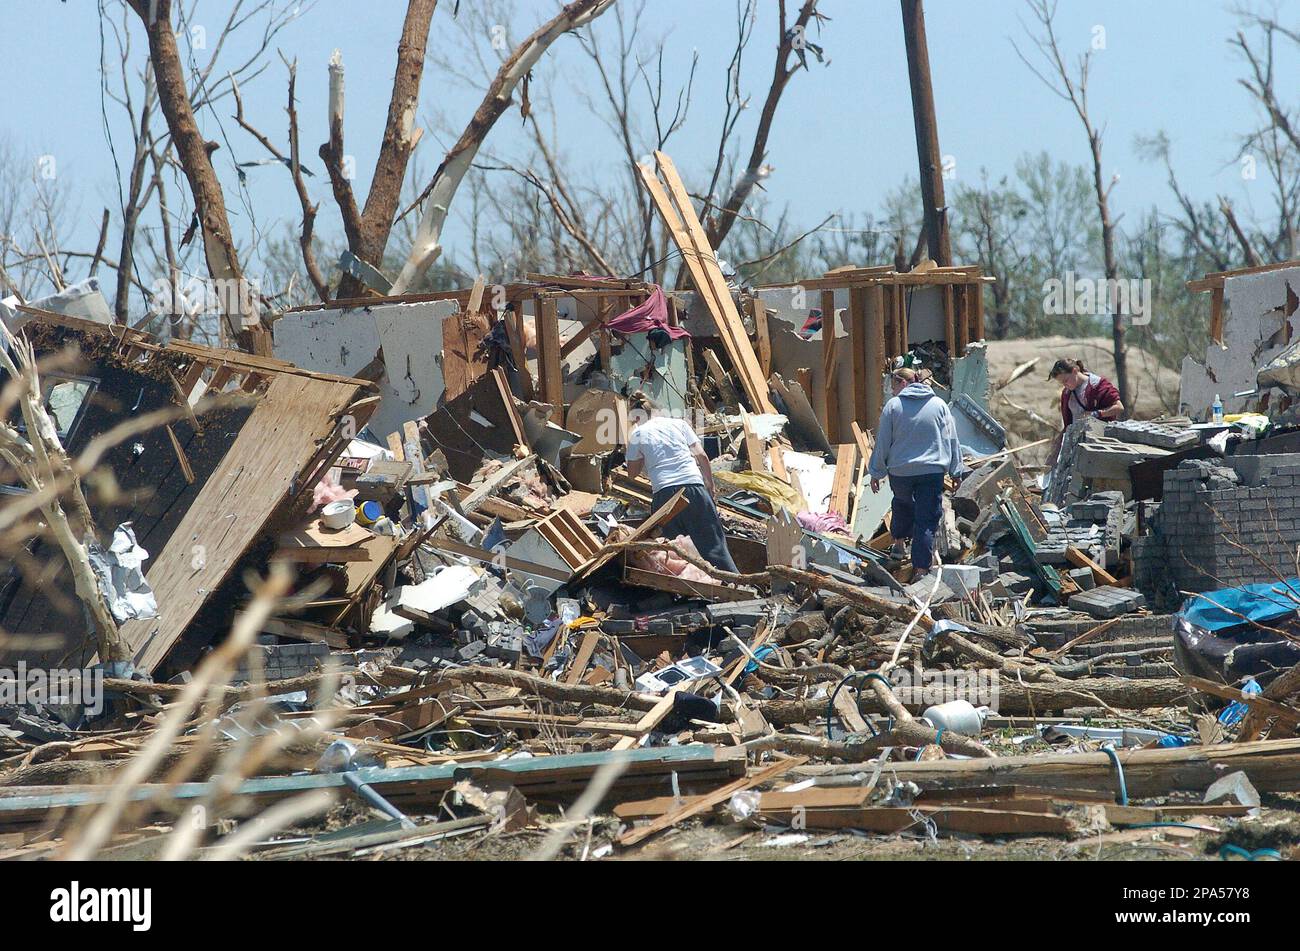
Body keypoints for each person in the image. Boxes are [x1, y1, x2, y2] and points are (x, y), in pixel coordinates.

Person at [624, 391, 739, 574]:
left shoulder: (638, 433)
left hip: (665, 496)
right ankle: (737, 585)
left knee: (672, 552)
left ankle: (683, 593)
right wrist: (710, 485)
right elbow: (701, 455)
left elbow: (631, 473)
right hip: (694, 488)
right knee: (714, 546)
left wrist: (639, 457)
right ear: (657, 410)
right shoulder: (679, 424)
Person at [867, 368, 967, 576]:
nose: (893, 391)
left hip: (901, 472)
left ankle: (899, 545)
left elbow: (883, 442)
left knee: (902, 504)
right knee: (925, 519)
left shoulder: (893, 406)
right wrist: (956, 470)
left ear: (902, 383)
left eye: (893, 386)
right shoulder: (939, 405)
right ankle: (921, 569)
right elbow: (951, 440)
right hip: (931, 472)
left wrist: (876, 472)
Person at [1049, 358, 1123, 427]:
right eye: (1062, 383)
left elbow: (1119, 407)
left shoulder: (1097, 385)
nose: (1065, 385)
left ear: (1075, 371)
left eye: (1066, 380)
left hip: (1100, 434)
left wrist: (1095, 414)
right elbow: (1068, 425)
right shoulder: (1066, 393)